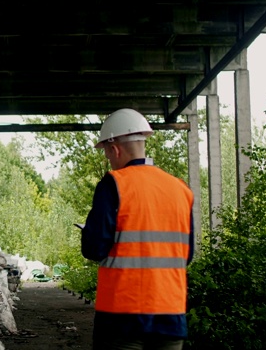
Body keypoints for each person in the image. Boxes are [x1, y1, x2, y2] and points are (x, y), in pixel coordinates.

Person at [81, 108, 195, 350]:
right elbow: (187, 255)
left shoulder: (113, 184)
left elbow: (94, 248)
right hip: (170, 316)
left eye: (107, 154)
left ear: (115, 148)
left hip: (121, 316)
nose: (109, 160)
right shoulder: (180, 189)